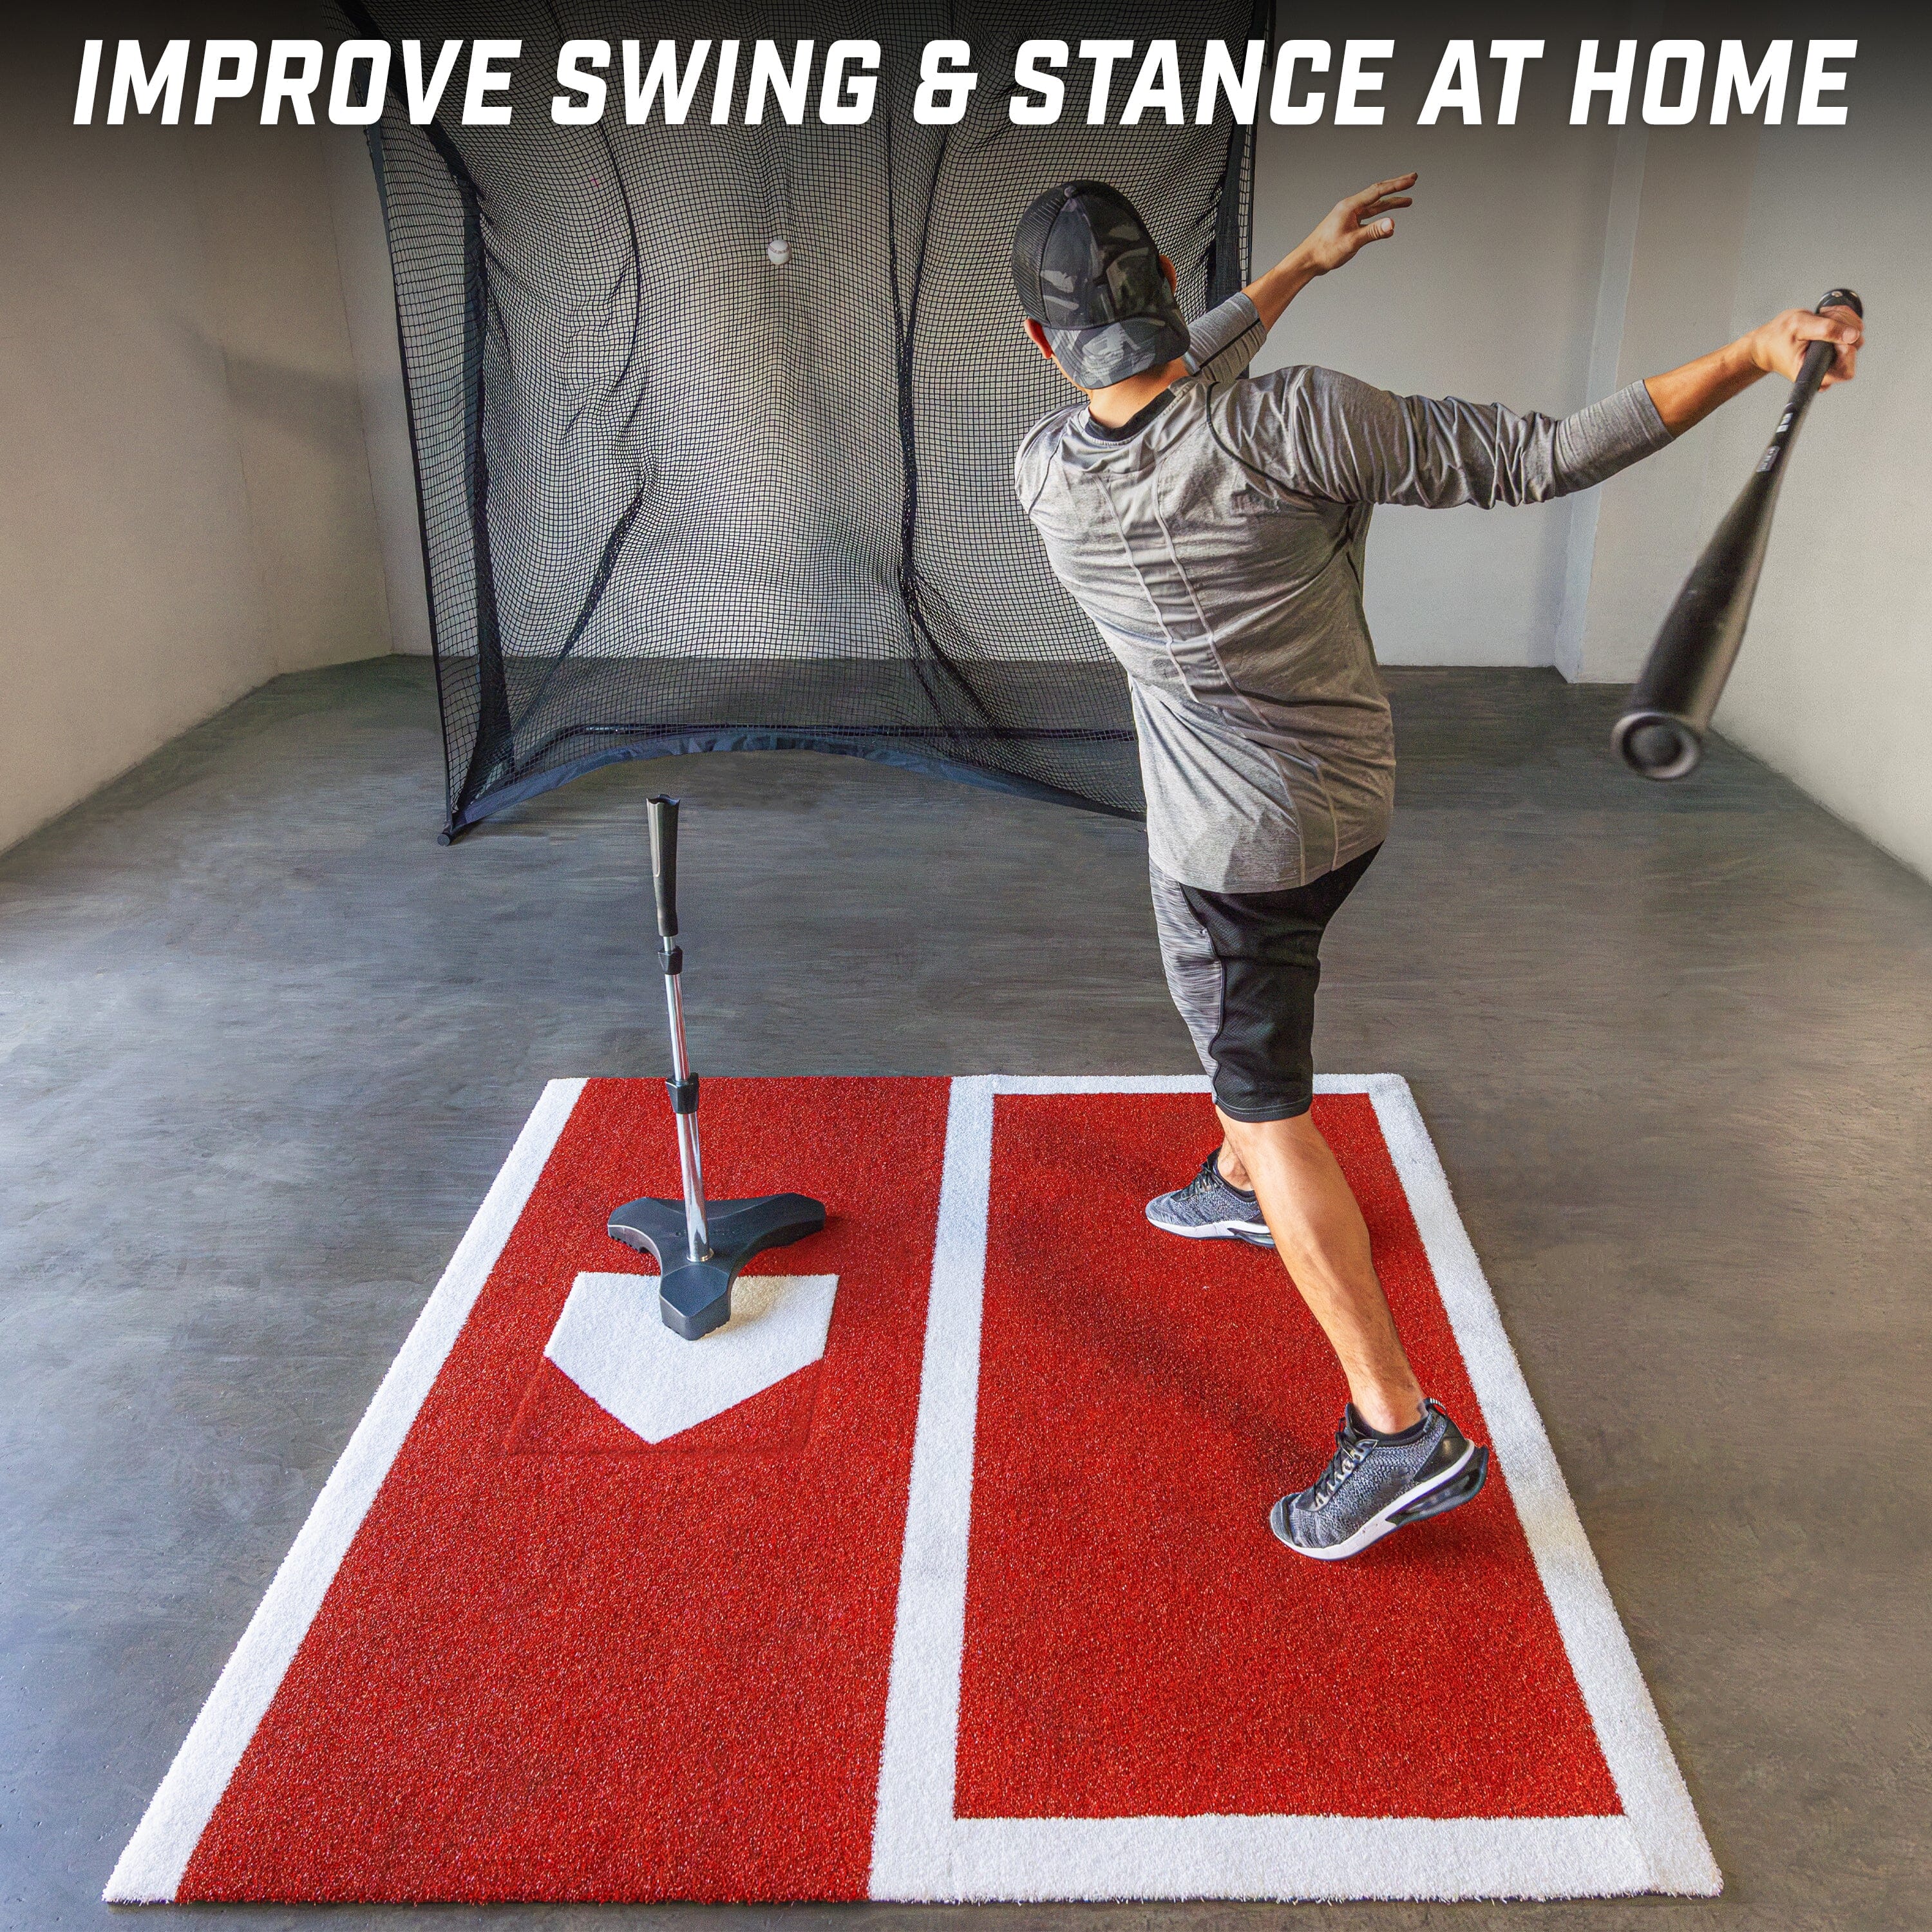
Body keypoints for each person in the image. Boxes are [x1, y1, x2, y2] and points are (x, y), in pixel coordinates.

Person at [1010, 173, 1862, 1561]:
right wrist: (1755, 355)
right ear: (1166, 275)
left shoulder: (1045, 478)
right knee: (1252, 1035)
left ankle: (1397, 1428)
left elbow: (1173, 377)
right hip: (1350, 806)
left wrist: (1296, 269)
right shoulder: (1307, 422)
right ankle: (1235, 1186)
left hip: (1231, 861)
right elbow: (1550, 455)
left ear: (1043, 349)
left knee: (1266, 1089)